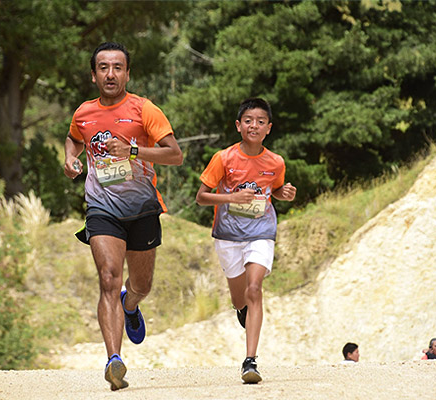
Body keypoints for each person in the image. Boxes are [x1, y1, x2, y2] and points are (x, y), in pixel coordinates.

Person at [63, 42, 183, 391]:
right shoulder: (83, 113)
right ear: (93, 75)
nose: (110, 74)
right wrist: (70, 159)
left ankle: (130, 305)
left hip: (142, 207)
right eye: (103, 68)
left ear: (127, 74)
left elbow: (174, 155)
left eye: (117, 67)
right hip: (102, 208)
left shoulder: (145, 109)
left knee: (141, 285)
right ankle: (114, 360)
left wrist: (132, 150)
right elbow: (73, 139)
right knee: (108, 278)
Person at [196, 97, 297, 384]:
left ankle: (250, 360)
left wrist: (284, 193)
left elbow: (275, 189)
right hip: (228, 235)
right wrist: (232, 198)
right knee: (240, 298)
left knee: (254, 288)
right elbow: (201, 197)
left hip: (261, 232)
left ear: (269, 128)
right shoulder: (223, 158)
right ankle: (242, 310)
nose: (254, 126)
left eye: (261, 122)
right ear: (238, 125)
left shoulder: (276, 162)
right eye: (249, 121)